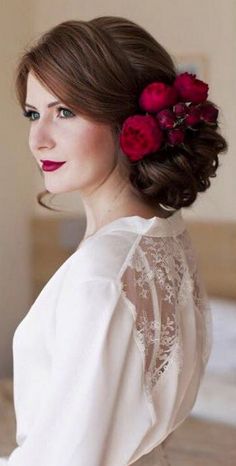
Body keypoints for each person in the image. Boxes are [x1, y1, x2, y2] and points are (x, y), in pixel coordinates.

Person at [0, 15, 228, 466]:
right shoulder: (166, 238)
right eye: (33, 113)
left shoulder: (102, 276)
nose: (38, 138)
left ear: (127, 122)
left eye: (64, 112)